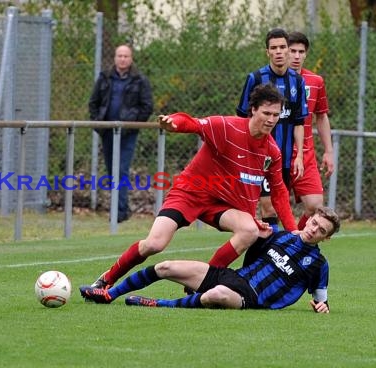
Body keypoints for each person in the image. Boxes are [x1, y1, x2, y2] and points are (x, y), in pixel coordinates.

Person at [86, 83, 298, 292]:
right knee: (154, 244)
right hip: (190, 193)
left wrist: (293, 230)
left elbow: (279, 192)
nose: (271, 120)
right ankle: (106, 279)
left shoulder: (272, 151)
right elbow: (193, 123)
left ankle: (202, 283)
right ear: (253, 110)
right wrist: (174, 124)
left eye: (276, 115)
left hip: (222, 205)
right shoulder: (227, 127)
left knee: (249, 230)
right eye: (266, 113)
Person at [80, 206, 340, 313]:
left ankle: (159, 303)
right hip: (234, 277)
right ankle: (109, 294)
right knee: (164, 266)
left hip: (250, 298)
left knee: (214, 295)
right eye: (314, 223)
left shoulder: (318, 264)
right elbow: (250, 243)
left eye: (321, 230)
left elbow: (320, 298)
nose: (314, 229)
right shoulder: (281, 237)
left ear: (326, 238)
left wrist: (322, 306)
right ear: (310, 220)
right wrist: (260, 230)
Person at [235, 28, 308, 234]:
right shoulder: (256, 78)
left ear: (288, 49)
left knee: (279, 205)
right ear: (267, 51)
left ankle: (270, 250)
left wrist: (299, 156)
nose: (279, 52)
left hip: (283, 158)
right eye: (274, 48)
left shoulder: (297, 81)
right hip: (258, 154)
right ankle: (270, 250)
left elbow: (299, 121)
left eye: (282, 47)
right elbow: (242, 117)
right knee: (267, 205)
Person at [88, 44, 154, 223]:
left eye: (126, 56)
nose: (122, 59)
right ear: (115, 58)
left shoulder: (139, 80)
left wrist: (133, 124)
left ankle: (119, 211)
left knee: (121, 170)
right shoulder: (105, 78)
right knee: (112, 171)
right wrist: (98, 122)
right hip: (108, 132)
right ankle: (122, 209)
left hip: (127, 134)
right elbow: (93, 103)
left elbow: (147, 106)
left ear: (131, 59)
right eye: (119, 55)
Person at [288, 31, 335, 229]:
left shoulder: (315, 81)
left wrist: (329, 151)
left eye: (301, 51)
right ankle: (268, 253)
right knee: (269, 207)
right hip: (275, 151)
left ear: (306, 54)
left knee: (315, 206)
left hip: (305, 153)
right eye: (293, 51)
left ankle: (294, 243)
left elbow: (322, 116)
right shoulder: (270, 79)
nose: (297, 56)